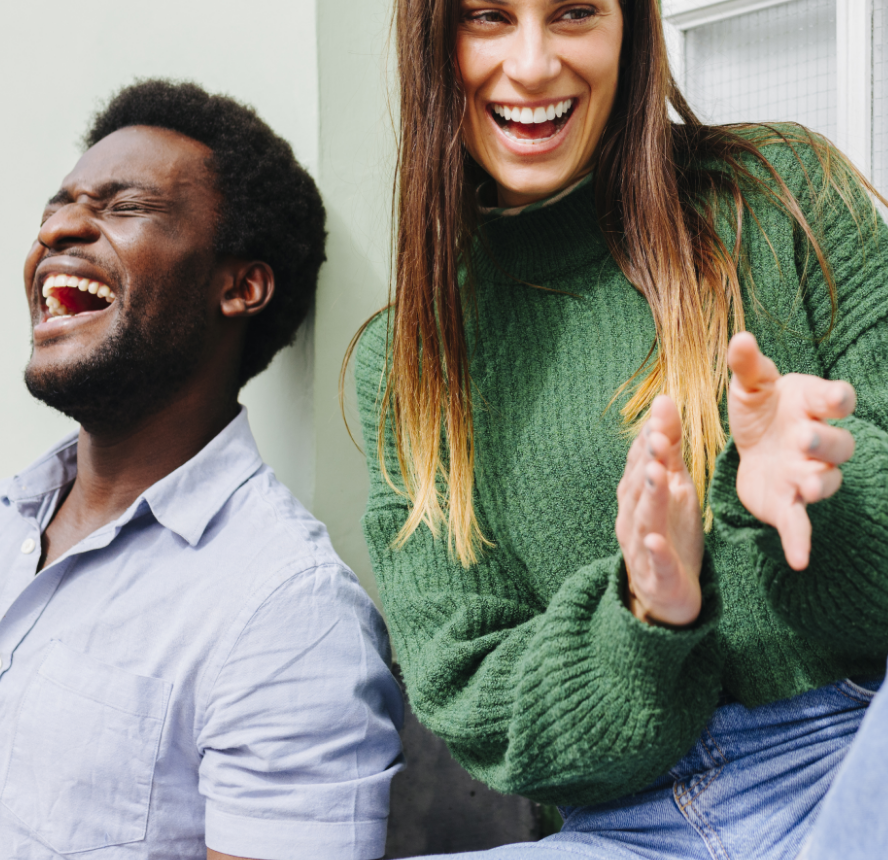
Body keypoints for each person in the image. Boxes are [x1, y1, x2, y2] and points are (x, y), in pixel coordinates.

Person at [353, 0, 888, 856]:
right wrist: (646, 611)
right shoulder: (410, 362)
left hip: (855, 748)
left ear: (630, 28)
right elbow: (472, 694)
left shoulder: (785, 195)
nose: (533, 65)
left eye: (574, 12)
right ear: (432, 41)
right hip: (626, 832)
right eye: (488, 17)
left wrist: (821, 488)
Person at [2, 79, 403, 860]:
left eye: (124, 207)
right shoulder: (11, 516)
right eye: (60, 205)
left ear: (241, 287)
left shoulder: (289, 616)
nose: (59, 229)